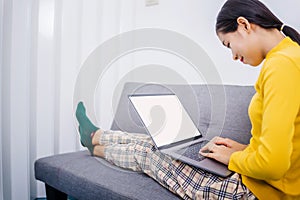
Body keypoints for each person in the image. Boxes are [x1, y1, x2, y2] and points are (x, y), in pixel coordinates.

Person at [75, 0, 300, 199]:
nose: (233, 56)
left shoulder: (282, 65)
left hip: (254, 192)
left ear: (243, 25)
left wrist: (233, 157)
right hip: (261, 181)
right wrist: (242, 148)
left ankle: (95, 148)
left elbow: (273, 166)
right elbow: (286, 147)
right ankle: (97, 135)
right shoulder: (289, 55)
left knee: (149, 153)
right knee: (159, 141)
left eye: (229, 44)